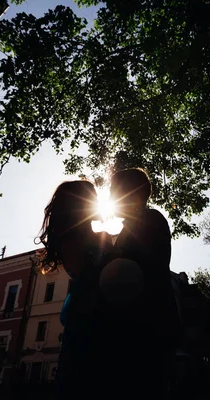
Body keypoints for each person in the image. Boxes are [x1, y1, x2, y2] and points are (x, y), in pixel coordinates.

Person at [103, 168, 182, 399]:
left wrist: (111, 257)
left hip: (147, 329)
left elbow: (136, 273)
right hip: (147, 327)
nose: (110, 198)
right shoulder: (137, 224)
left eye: (114, 192)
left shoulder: (148, 221)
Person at [37, 180, 111, 399]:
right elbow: (87, 274)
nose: (97, 200)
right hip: (88, 315)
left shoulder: (91, 236)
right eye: (93, 197)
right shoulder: (72, 240)